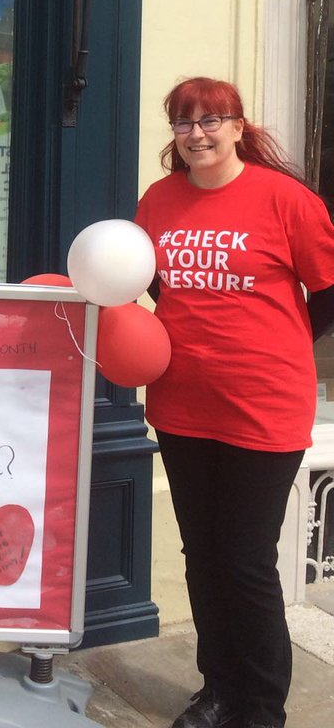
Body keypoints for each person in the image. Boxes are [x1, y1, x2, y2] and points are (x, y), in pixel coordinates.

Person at [135, 77, 334, 728]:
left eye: (209, 121)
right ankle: (215, 690)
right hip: (182, 403)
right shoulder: (157, 203)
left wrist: (277, 340)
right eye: (182, 123)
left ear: (238, 125)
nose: (196, 134)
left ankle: (258, 707)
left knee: (246, 560)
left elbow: (327, 291)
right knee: (203, 554)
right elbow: (161, 289)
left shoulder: (285, 201)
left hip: (264, 406)